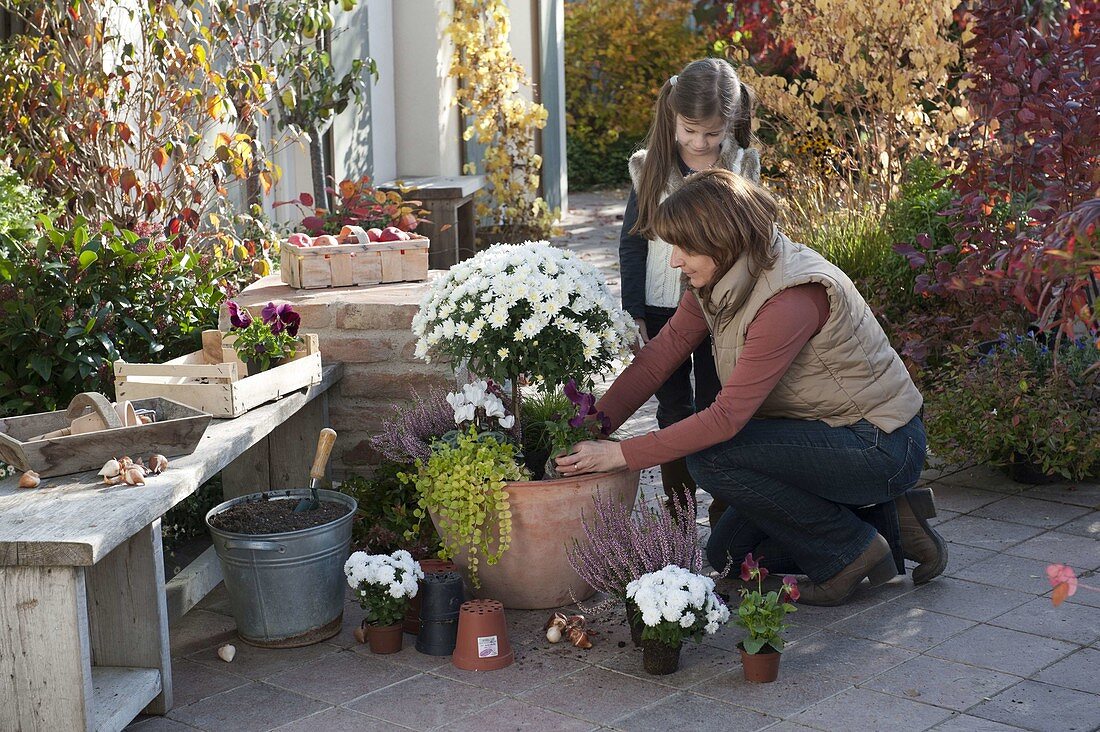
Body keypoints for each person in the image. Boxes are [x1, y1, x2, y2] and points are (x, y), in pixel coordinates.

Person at [559, 169, 947, 606]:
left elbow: (727, 418)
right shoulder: (722, 279)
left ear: (720, 241)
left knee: (711, 456)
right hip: (825, 435)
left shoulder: (790, 297)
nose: (674, 261)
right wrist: (589, 427)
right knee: (728, 555)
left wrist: (621, 455)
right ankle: (893, 522)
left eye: (684, 248)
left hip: (878, 445)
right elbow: (657, 359)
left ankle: (850, 556)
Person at [619, 58, 760, 524]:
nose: (700, 143)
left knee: (718, 403)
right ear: (673, 117)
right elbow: (633, 242)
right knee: (674, 405)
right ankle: (679, 513)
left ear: (731, 124)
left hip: (721, 306)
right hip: (663, 309)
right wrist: (633, 310)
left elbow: (752, 235)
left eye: (712, 134)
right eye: (690, 131)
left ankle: (725, 509)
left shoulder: (742, 164)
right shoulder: (650, 168)